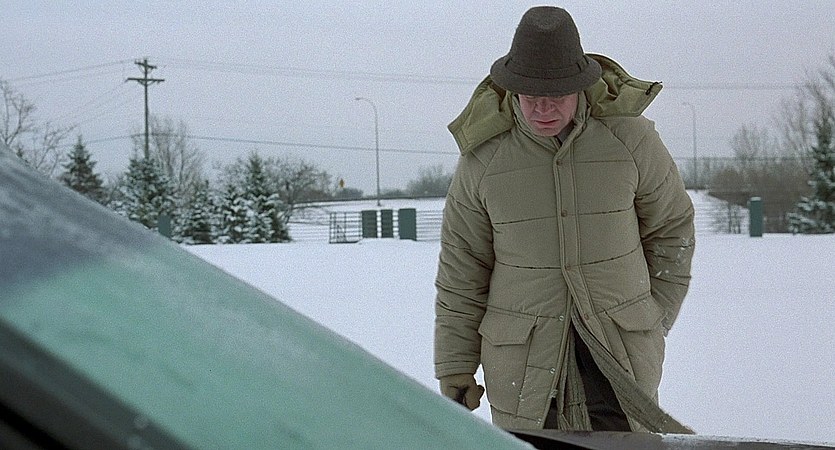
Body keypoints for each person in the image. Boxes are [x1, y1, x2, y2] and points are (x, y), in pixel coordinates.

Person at [434, 6, 695, 433]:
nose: (542, 109)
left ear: (580, 85)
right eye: (529, 96)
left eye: (555, 95)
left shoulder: (630, 139)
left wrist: (650, 316)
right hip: (523, 370)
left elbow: (672, 228)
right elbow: (462, 269)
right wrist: (455, 363)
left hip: (620, 357)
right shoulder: (483, 159)